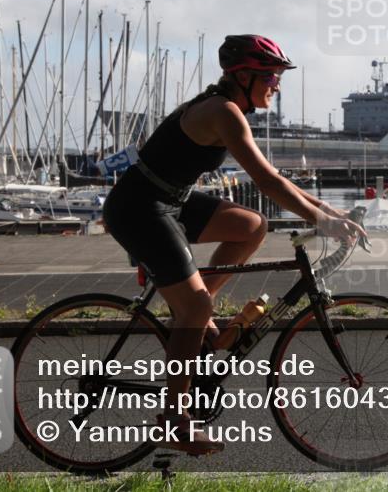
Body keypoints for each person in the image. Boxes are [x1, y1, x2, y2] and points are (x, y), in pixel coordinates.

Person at [101, 34, 363, 455]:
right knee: (195, 307)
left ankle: (197, 316)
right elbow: (267, 181)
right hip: (139, 209)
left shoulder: (226, 107)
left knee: (252, 225)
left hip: (169, 201)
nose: (276, 85)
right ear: (243, 77)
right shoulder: (222, 112)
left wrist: (329, 212)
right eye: (271, 77)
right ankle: (175, 419)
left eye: (277, 77)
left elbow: (274, 179)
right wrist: (322, 221)